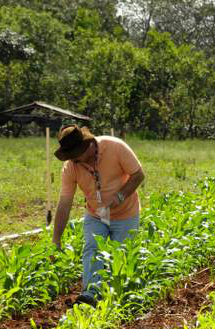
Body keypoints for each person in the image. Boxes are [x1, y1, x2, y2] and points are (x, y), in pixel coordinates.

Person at [51, 125, 145, 305]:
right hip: (95, 215)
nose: (74, 161)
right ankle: (91, 295)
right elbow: (64, 203)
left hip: (125, 214)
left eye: (76, 155)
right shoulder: (71, 166)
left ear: (88, 146)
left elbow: (138, 175)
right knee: (92, 248)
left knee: (121, 255)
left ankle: (121, 298)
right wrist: (56, 239)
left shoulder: (115, 147)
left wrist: (119, 197)